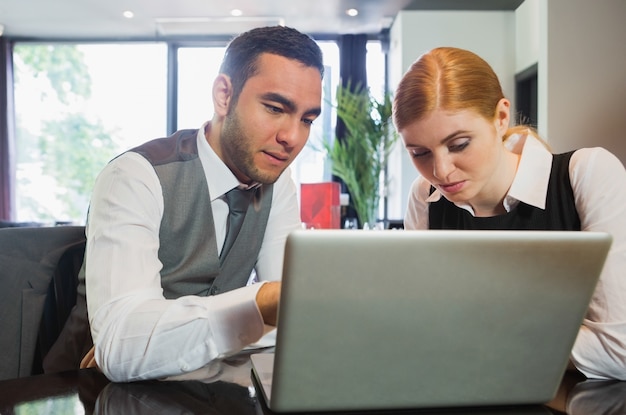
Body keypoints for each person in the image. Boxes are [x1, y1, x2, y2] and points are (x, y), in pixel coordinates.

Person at [45, 25, 324, 382]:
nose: (292, 137)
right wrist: (259, 306)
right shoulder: (135, 176)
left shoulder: (278, 185)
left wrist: (152, 345)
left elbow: (297, 318)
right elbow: (121, 349)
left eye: (307, 120)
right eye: (274, 108)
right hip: (82, 393)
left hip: (200, 391)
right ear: (224, 95)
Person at [392, 46, 626, 380]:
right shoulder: (425, 197)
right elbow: (421, 330)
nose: (441, 171)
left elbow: (618, 350)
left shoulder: (586, 174)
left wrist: (465, 334)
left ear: (501, 118)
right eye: (419, 153)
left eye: (459, 145)